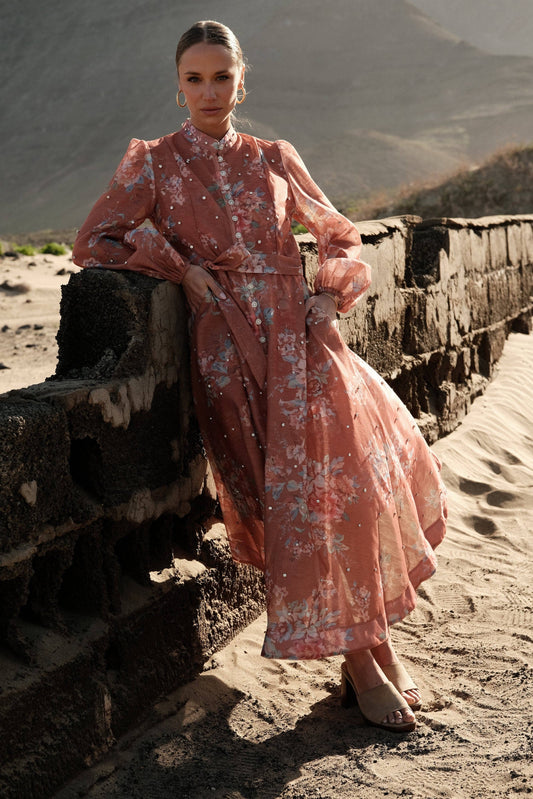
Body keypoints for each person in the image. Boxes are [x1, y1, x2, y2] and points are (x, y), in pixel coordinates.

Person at [73, 20, 447, 733]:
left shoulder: (275, 157)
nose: (208, 91)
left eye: (221, 76)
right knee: (289, 505)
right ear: (177, 86)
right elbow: (96, 241)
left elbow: (336, 232)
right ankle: (365, 661)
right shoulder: (151, 163)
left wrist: (325, 293)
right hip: (224, 350)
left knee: (344, 493)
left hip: (302, 341)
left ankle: (369, 652)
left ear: (243, 81)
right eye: (194, 78)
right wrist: (178, 267)